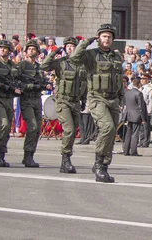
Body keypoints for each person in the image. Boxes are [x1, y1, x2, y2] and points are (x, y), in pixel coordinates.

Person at [70, 24, 124, 183]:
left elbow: (119, 79)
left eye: (109, 36)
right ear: (99, 38)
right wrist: (86, 42)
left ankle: (104, 166)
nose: (107, 39)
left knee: (111, 133)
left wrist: (121, 98)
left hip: (113, 99)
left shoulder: (116, 56)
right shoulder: (90, 55)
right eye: (104, 36)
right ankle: (98, 164)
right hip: (97, 97)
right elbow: (73, 58)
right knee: (107, 127)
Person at [41, 36, 88, 173]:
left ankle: (66, 158)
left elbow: (84, 83)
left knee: (73, 132)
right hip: (63, 101)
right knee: (69, 129)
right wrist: (54, 52)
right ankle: (65, 159)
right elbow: (44, 66)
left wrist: (84, 100)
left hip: (75, 102)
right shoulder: (60, 62)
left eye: (72, 46)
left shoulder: (82, 64)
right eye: (67, 46)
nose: (70, 48)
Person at [16, 40, 47, 167]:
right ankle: (27, 155)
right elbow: (16, 81)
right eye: (29, 49)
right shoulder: (21, 66)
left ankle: (30, 155)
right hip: (26, 98)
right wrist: (28, 86)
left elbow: (43, 81)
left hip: (37, 99)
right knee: (32, 126)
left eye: (34, 49)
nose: (31, 51)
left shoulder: (39, 67)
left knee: (38, 128)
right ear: (26, 52)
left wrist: (44, 84)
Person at [122, 78, 147, 156]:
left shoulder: (127, 92)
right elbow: (141, 107)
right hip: (136, 115)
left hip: (128, 114)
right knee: (135, 134)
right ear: (139, 84)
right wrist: (143, 118)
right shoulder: (139, 93)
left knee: (128, 133)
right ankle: (133, 151)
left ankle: (126, 151)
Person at [139, 72, 152, 147]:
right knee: (141, 127)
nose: (142, 80)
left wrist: (149, 111)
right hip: (139, 111)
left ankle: (146, 141)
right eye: (141, 79)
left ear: (148, 80)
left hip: (146, 110)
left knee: (146, 127)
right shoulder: (139, 88)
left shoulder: (150, 89)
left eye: (144, 79)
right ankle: (141, 140)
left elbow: (151, 100)